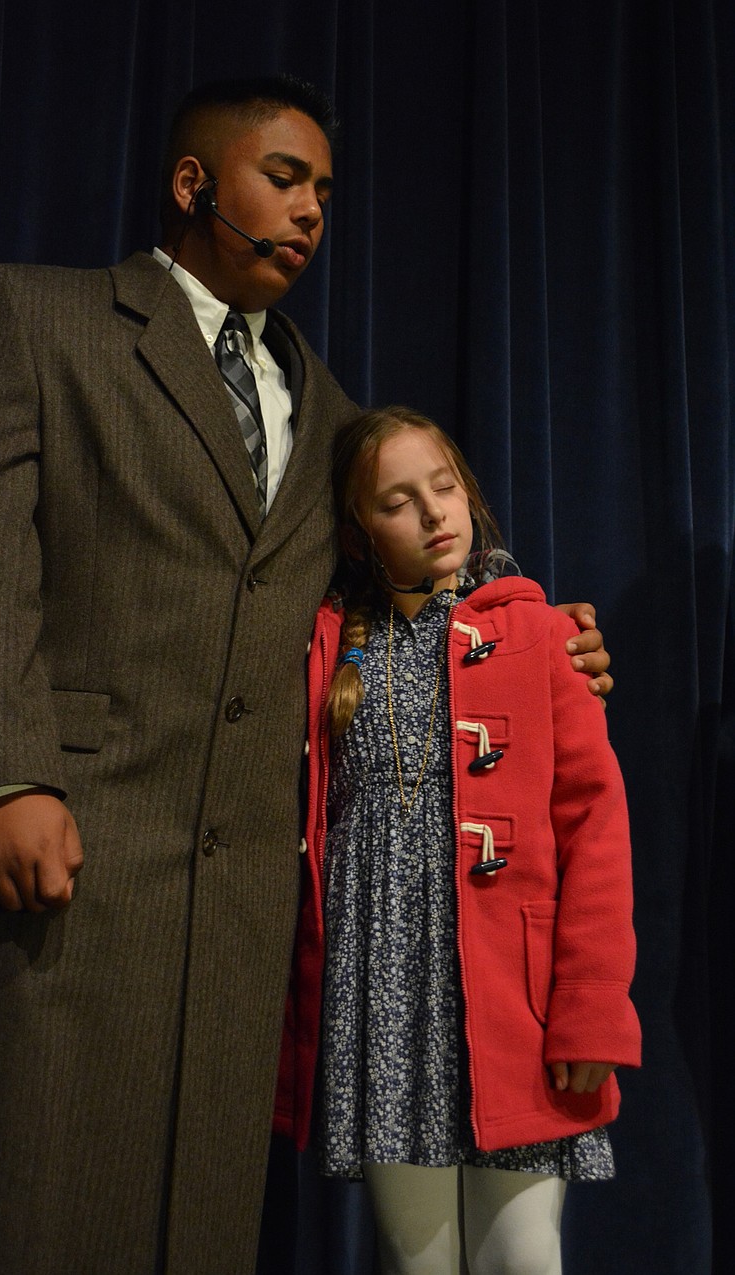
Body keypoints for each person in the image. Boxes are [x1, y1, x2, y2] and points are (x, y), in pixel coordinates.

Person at [0, 77, 612, 1275]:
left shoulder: (327, 411)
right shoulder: (32, 316)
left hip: (235, 918)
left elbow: (400, 591)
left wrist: (533, 631)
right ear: (193, 184)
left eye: (326, 191)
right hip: (63, 856)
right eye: (285, 178)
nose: (312, 210)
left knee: (190, 1225)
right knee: (12, 1195)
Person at [274, 407, 641, 1274]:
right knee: (419, 1262)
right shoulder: (327, 648)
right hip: (385, 1000)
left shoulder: (541, 633)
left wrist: (594, 1008)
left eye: (444, 489)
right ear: (360, 531)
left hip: (512, 998)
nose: (436, 514)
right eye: (400, 501)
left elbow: (596, 824)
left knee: (522, 1256)